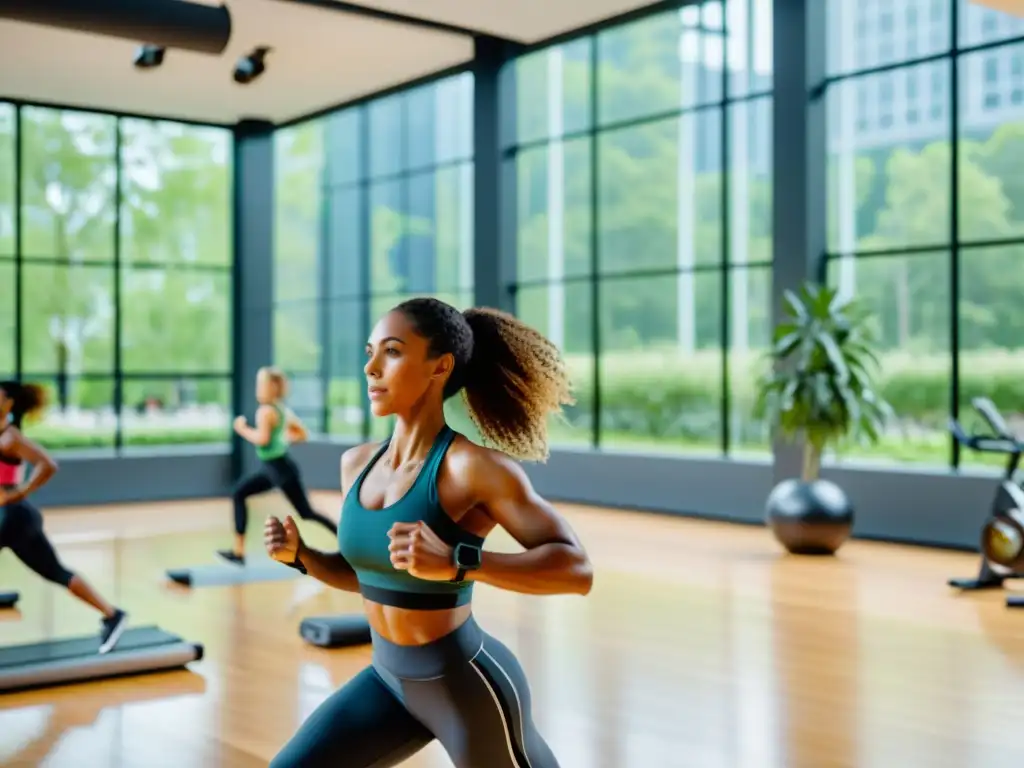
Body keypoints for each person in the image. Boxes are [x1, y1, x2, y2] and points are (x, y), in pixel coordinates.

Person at [264, 298, 593, 768]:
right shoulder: (356, 465)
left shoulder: (474, 469)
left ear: (440, 366)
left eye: (392, 352)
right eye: (370, 351)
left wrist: (460, 562)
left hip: (465, 683)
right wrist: (305, 557)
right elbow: (373, 577)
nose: (371, 367)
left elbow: (576, 570)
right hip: (387, 679)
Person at [0, 381, 129, 654]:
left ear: (9, 403)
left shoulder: (11, 437)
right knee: (56, 572)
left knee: (56, 572)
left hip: (14, 519)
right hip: (8, 519)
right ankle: (112, 613)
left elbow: (48, 464)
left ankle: (113, 615)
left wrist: (19, 493)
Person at [223, 366, 337, 565]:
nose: (257, 388)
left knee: (306, 513)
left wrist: (241, 429)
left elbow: (262, 439)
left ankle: (345, 538)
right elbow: (302, 433)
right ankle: (238, 552)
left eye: (261, 384)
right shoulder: (281, 409)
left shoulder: (265, 411)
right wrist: (282, 440)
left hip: (279, 469)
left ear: (271, 387)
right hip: (273, 468)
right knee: (239, 493)